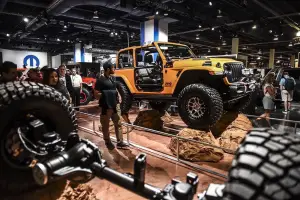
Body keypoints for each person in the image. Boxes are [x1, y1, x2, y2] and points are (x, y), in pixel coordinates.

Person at [94, 62, 129, 150]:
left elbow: (115, 89)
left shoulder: (113, 78)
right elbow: (96, 94)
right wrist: (105, 96)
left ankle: (120, 142)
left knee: (118, 124)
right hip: (106, 107)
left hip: (115, 105)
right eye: (113, 67)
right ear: (108, 69)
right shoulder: (100, 80)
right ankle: (107, 141)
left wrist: (117, 96)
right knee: (105, 125)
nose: (114, 69)